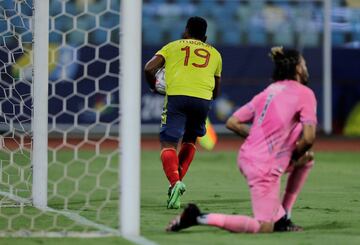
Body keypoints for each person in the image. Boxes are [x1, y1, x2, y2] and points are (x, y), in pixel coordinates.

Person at [166, 46, 317, 233]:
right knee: (263, 226)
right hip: (265, 166)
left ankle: (283, 218)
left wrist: (260, 140)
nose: (306, 68)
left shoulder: (269, 91)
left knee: (307, 159)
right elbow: (309, 138)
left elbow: (233, 122)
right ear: (298, 69)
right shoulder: (305, 94)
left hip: (248, 157)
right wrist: (291, 156)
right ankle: (198, 217)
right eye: (304, 64)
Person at [144, 17, 222, 209]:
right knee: (190, 140)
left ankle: (175, 182)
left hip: (177, 97)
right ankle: (174, 188)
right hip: (203, 99)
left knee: (168, 143)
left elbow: (149, 68)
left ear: (186, 31)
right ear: (204, 37)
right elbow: (216, 91)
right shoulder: (216, 54)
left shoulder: (172, 46)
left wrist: (154, 86)